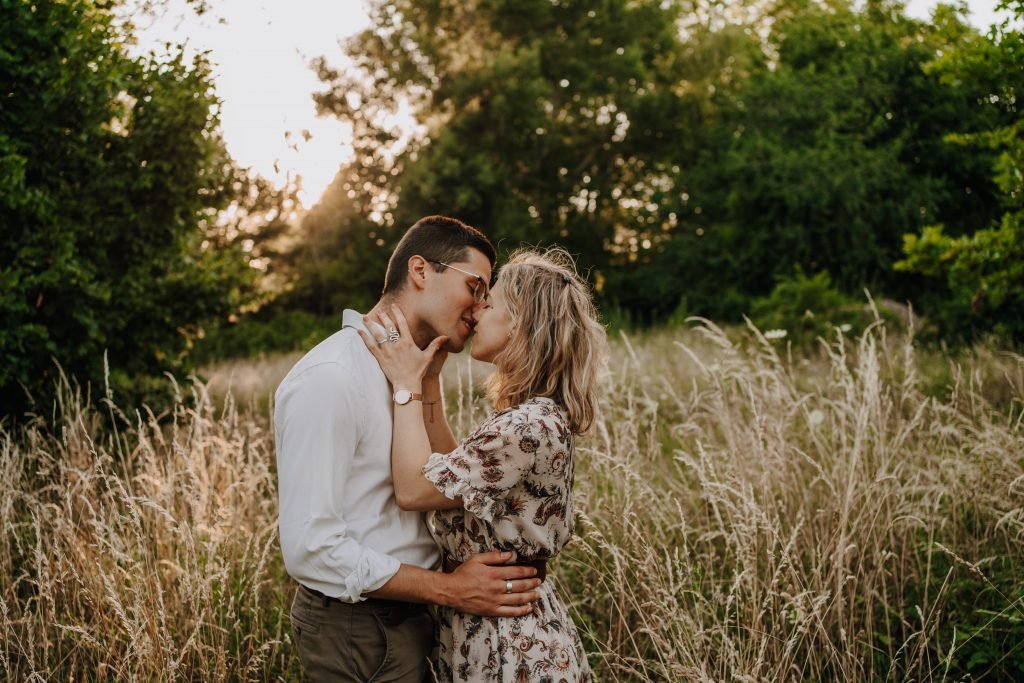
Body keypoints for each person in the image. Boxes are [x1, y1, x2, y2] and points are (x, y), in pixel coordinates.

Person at [274, 216, 544, 682]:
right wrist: (449, 589)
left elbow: (445, 484)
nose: (481, 306)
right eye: (475, 287)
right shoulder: (332, 378)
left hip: (415, 618)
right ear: (420, 270)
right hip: (359, 630)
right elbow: (309, 549)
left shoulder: (413, 376)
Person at [360, 247, 607, 681]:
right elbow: (453, 481)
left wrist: (405, 385)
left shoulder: (527, 425)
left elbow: (415, 489)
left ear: (521, 323)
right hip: (493, 627)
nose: (476, 312)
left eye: (489, 304)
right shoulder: (533, 416)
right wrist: (429, 381)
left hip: (511, 646)